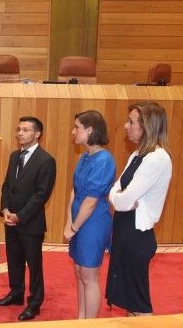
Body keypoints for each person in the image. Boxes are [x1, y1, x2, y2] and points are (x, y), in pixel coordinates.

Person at [105, 102, 172, 316]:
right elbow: (115, 191)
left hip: (137, 235)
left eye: (131, 121)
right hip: (124, 230)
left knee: (138, 302)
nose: (126, 126)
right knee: (127, 300)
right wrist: (118, 196)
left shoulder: (157, 158)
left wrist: (119, 197)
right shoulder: (136, 155)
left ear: (147, 126)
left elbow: (124, 202)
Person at [0, 116, 56, 321]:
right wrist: (5, 210)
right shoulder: (14, 156)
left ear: (37, 134)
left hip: (30, 223)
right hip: (11, 219)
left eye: (25, 130)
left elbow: (41, 195)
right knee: (14, 260)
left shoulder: (46, 160)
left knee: (34, 265)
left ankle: (35, 303)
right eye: (19, 129)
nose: (20, 133)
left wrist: (20, 216)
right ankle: (16, 293)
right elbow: (7, 186)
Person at [63, 110, 116, 319]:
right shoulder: (85, 156)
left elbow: (92, 200)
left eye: (77, 127)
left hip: (92, 222)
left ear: (90, 130)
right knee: (79, 272)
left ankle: (90, 323)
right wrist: (70, 222)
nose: (73, 131)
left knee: (89, 275)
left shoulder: (104, 159)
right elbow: (74, 191)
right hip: (79, 220)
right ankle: (81, 319)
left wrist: (74, 227)